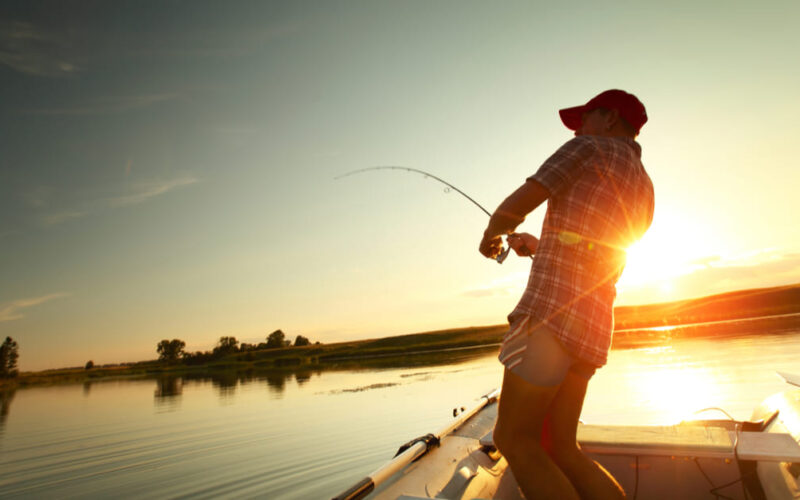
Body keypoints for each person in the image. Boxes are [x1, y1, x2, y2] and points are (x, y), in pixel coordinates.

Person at [479, 89, 655, 499]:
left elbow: (523, 199)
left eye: (585, 118)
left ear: (609, 118)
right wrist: (539, 246)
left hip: (549, 319)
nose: (577, 128)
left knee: (515, 440)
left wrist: (492, 235)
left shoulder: (587, 148)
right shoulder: (645, 187)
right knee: (562, 448)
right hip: (592, 329)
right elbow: (600, 253)